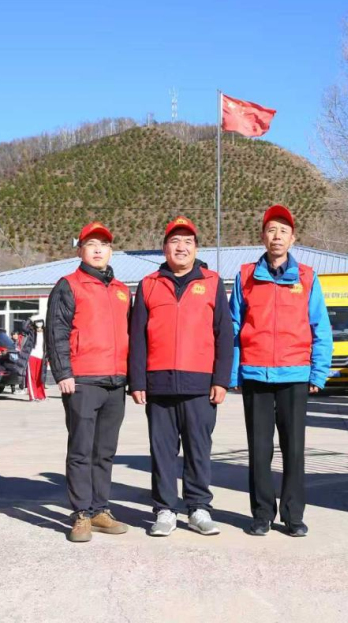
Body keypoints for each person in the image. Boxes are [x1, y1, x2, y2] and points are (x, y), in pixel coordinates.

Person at [229, 204, 333, 538]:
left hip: (294, 375)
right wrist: (233, 374)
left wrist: (318, 372)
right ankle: (261, 514)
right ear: (263, 236)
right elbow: (233, 327)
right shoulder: (246, 276)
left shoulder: (307, 277)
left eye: (283, 231)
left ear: (292, 239)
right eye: (271, 230)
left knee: (294, 449)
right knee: (259, 450)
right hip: (255, 375)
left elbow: (320, 327)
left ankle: (293, 515)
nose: (277, 236)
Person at [129, 216, 233, 537]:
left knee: (198, 449)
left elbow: (224, 335)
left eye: (188, 241)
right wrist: (138, 381)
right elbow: (137, 337)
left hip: (200, 384)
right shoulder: (148, 284)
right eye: (175, 241)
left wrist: (221, 379)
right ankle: (164, 510)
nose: (181, 247)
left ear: (196, 248)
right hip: (159, 384)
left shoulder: (212, 282)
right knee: (162, 451)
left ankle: (198, 508)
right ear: (164, 248)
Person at [46, 221, 132, 543]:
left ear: (111, 251)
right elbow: (56, 330)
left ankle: (100, 509)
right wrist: (63, 373)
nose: (98, 250)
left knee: (105, 451)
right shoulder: (68, 285)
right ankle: (81, 513)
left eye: (104, 245)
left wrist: (131, 377)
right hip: (82, 380)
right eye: (91, 244)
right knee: (81, 450)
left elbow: (130, 334)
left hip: (115, 382)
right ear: (80, 250)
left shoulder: (122, 290)